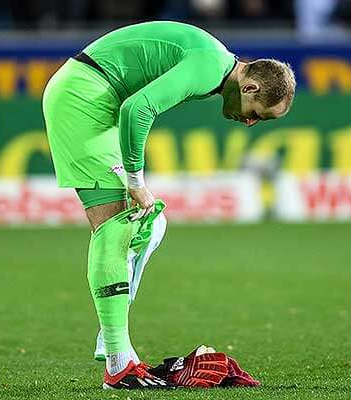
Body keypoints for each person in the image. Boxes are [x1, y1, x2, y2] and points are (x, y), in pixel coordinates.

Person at [41, 20, 295, 390]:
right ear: (251, 86)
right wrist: (135, 182)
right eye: (257, 112)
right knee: (120, 227)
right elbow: (136, 110)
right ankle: (117, 360)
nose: (251, 122)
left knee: (148, 225)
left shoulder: (214, 65)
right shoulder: (210, 66)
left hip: (91, 96)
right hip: (84, 98)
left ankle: (114, 344)